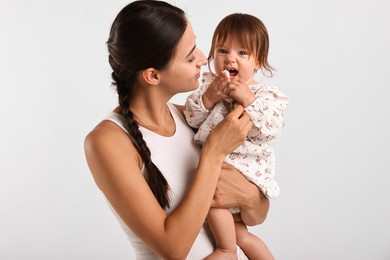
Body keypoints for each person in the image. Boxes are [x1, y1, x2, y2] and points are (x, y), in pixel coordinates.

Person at [84, 1, 271, 259]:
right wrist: (214, 153)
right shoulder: (107, 141)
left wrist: (250, 196)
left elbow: (257, 215)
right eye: (190, 54)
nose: (204, 58)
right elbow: (173, 249)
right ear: (152, 76)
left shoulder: (191, 118)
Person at [184, 13, 288, 259]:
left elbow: (272, 128)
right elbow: (192, 119)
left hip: (245, 169)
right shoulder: (208, 86)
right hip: (217, 164)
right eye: (222, 51)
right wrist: (209, 98)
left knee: (212, 201)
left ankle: (225, 250)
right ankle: (231, 247)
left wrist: (249, 101)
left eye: (242, 53)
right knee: (242, 235)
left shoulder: (264, 94)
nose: (230, 58)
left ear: (258, 62)